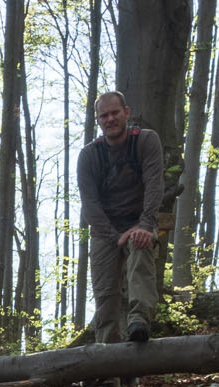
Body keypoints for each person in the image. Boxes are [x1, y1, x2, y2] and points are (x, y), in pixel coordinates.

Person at [77, 90, 164, 346]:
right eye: (104, 115)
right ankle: (107, 367)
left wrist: (146, 225)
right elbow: (90, 205)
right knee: (106, 297)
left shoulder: (146, 141)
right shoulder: (89, 156)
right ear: (98, 121)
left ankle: (139, 322)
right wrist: (115, 237)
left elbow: (155, 186)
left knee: (140, 246)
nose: (110, 119)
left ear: (126, 113)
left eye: (115, 113)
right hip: (105, 230)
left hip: (140, 220)